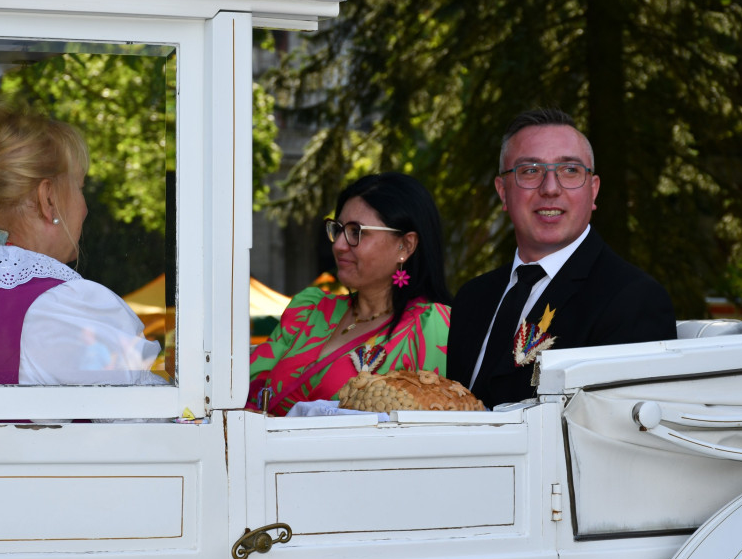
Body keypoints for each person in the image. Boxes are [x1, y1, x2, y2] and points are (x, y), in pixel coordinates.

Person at [0, 101, 163, 386]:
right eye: (80, 187)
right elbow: (144, 421)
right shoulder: (62, 310)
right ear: (48, 199)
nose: (85, 207)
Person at [448, 108, 676, 409]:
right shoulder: (472, 299)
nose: (551, 189)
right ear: (503, 193)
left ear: (593, 191)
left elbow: (621, 440)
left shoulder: (633, 300)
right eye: (530, 170)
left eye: (570, 171)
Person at [247, 172, 452, 416]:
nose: (338, 245)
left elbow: (432, 425)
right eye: (339, 229)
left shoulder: (430, 326)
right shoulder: (309, 309)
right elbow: (247, 387)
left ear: (405, 246)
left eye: (357, 232)